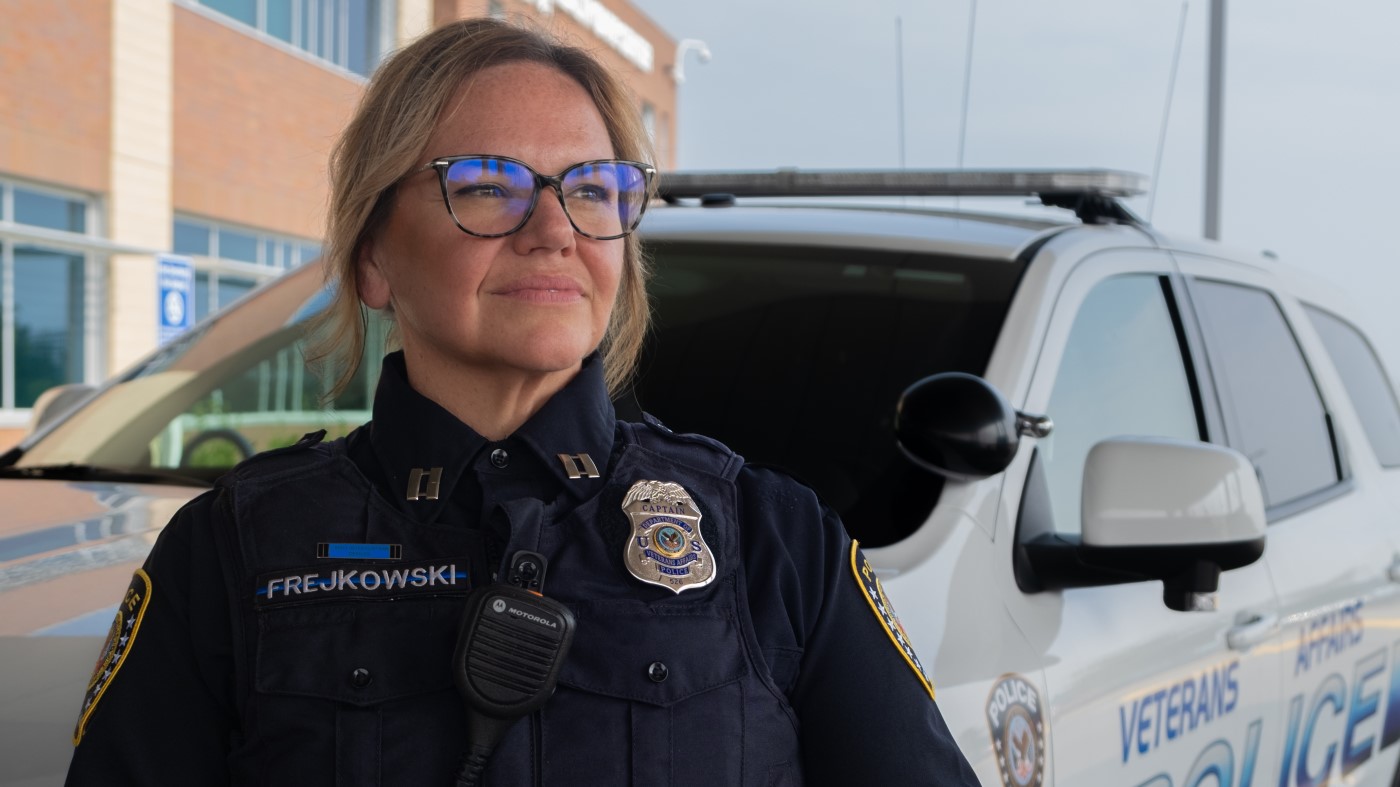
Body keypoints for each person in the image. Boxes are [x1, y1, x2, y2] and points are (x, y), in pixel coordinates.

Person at [65, 18, 980, 787]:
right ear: (374, 257)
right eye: (487, 186)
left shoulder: (771, 540)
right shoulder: (230, 552)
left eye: (592, 188)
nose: (554, 231)